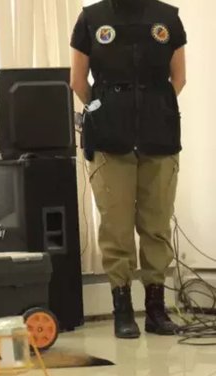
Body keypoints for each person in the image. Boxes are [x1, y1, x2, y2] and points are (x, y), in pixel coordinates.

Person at [69, 0, 186, 339]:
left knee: (156, 225)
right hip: (109, 139)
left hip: (159, 138)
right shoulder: (91, 18)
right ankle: (122, 310)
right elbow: (78, 81)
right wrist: (102, 109)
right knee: (116, 227)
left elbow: (179, 78)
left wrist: (156, 109)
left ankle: (156, 310)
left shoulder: (168, 18)